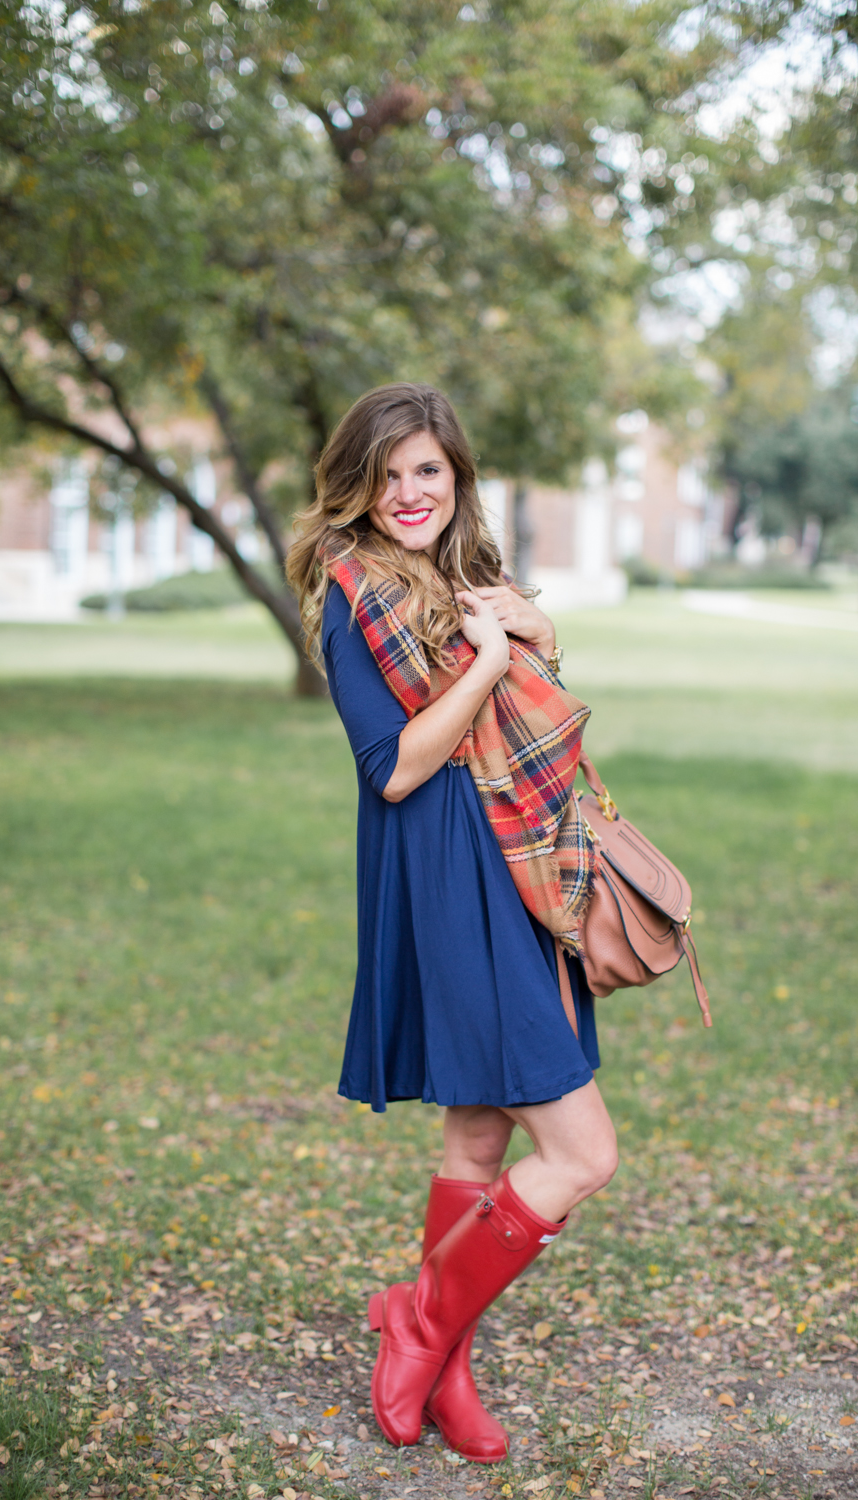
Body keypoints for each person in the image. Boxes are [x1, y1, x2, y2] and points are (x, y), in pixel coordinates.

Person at [286, 383, 618, 1465]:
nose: (407, 492)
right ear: (356, 487)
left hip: (511, 872)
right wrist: (482, 660)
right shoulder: (354, 592)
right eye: (385, 476)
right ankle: (422, 1318)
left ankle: (441, 1361)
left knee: (479, 1133)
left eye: (427, 469)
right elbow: (393, 770)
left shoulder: (466, 582)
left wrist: (537, 635)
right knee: (580, 1152)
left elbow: (536, 731)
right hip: (439, 875)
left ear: (456, 476)